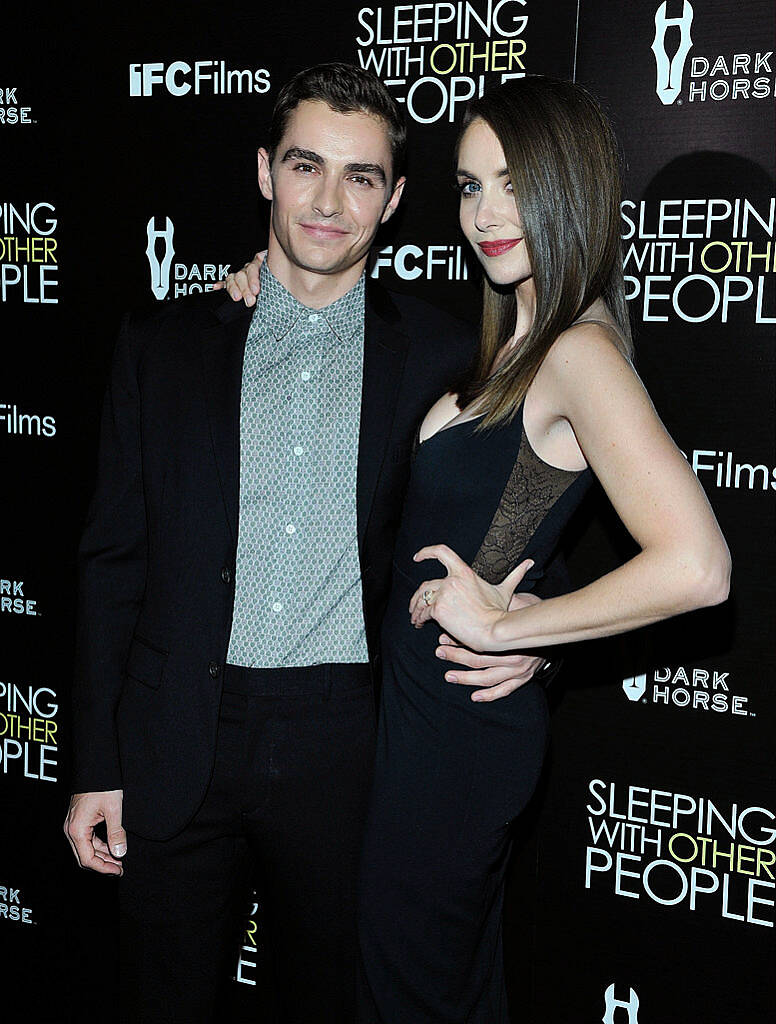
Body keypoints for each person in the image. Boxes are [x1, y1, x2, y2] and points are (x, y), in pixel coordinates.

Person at [225, 76, 730, 1022]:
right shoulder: (517, 339)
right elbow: (522, 515)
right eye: (468, 187)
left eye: (513, 183)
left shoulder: (580, 352)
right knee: (434, 987)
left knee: (408, 989)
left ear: (572, 187)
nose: (488, 215)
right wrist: (537, 617)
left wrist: (510, 627)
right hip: (418, 719)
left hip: (455, 737)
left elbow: (697, 566)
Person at [62, 63, 558, 1024]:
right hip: (177, 738)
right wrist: (96, 763)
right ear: (263, 173)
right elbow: (109, 563)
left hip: (352, 743)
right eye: (305, 167)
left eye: (361, 177)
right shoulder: (162, 343)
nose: (329, 202)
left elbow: (519, 521)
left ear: (396, 198)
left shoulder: (447, 355)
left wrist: (537, 619)